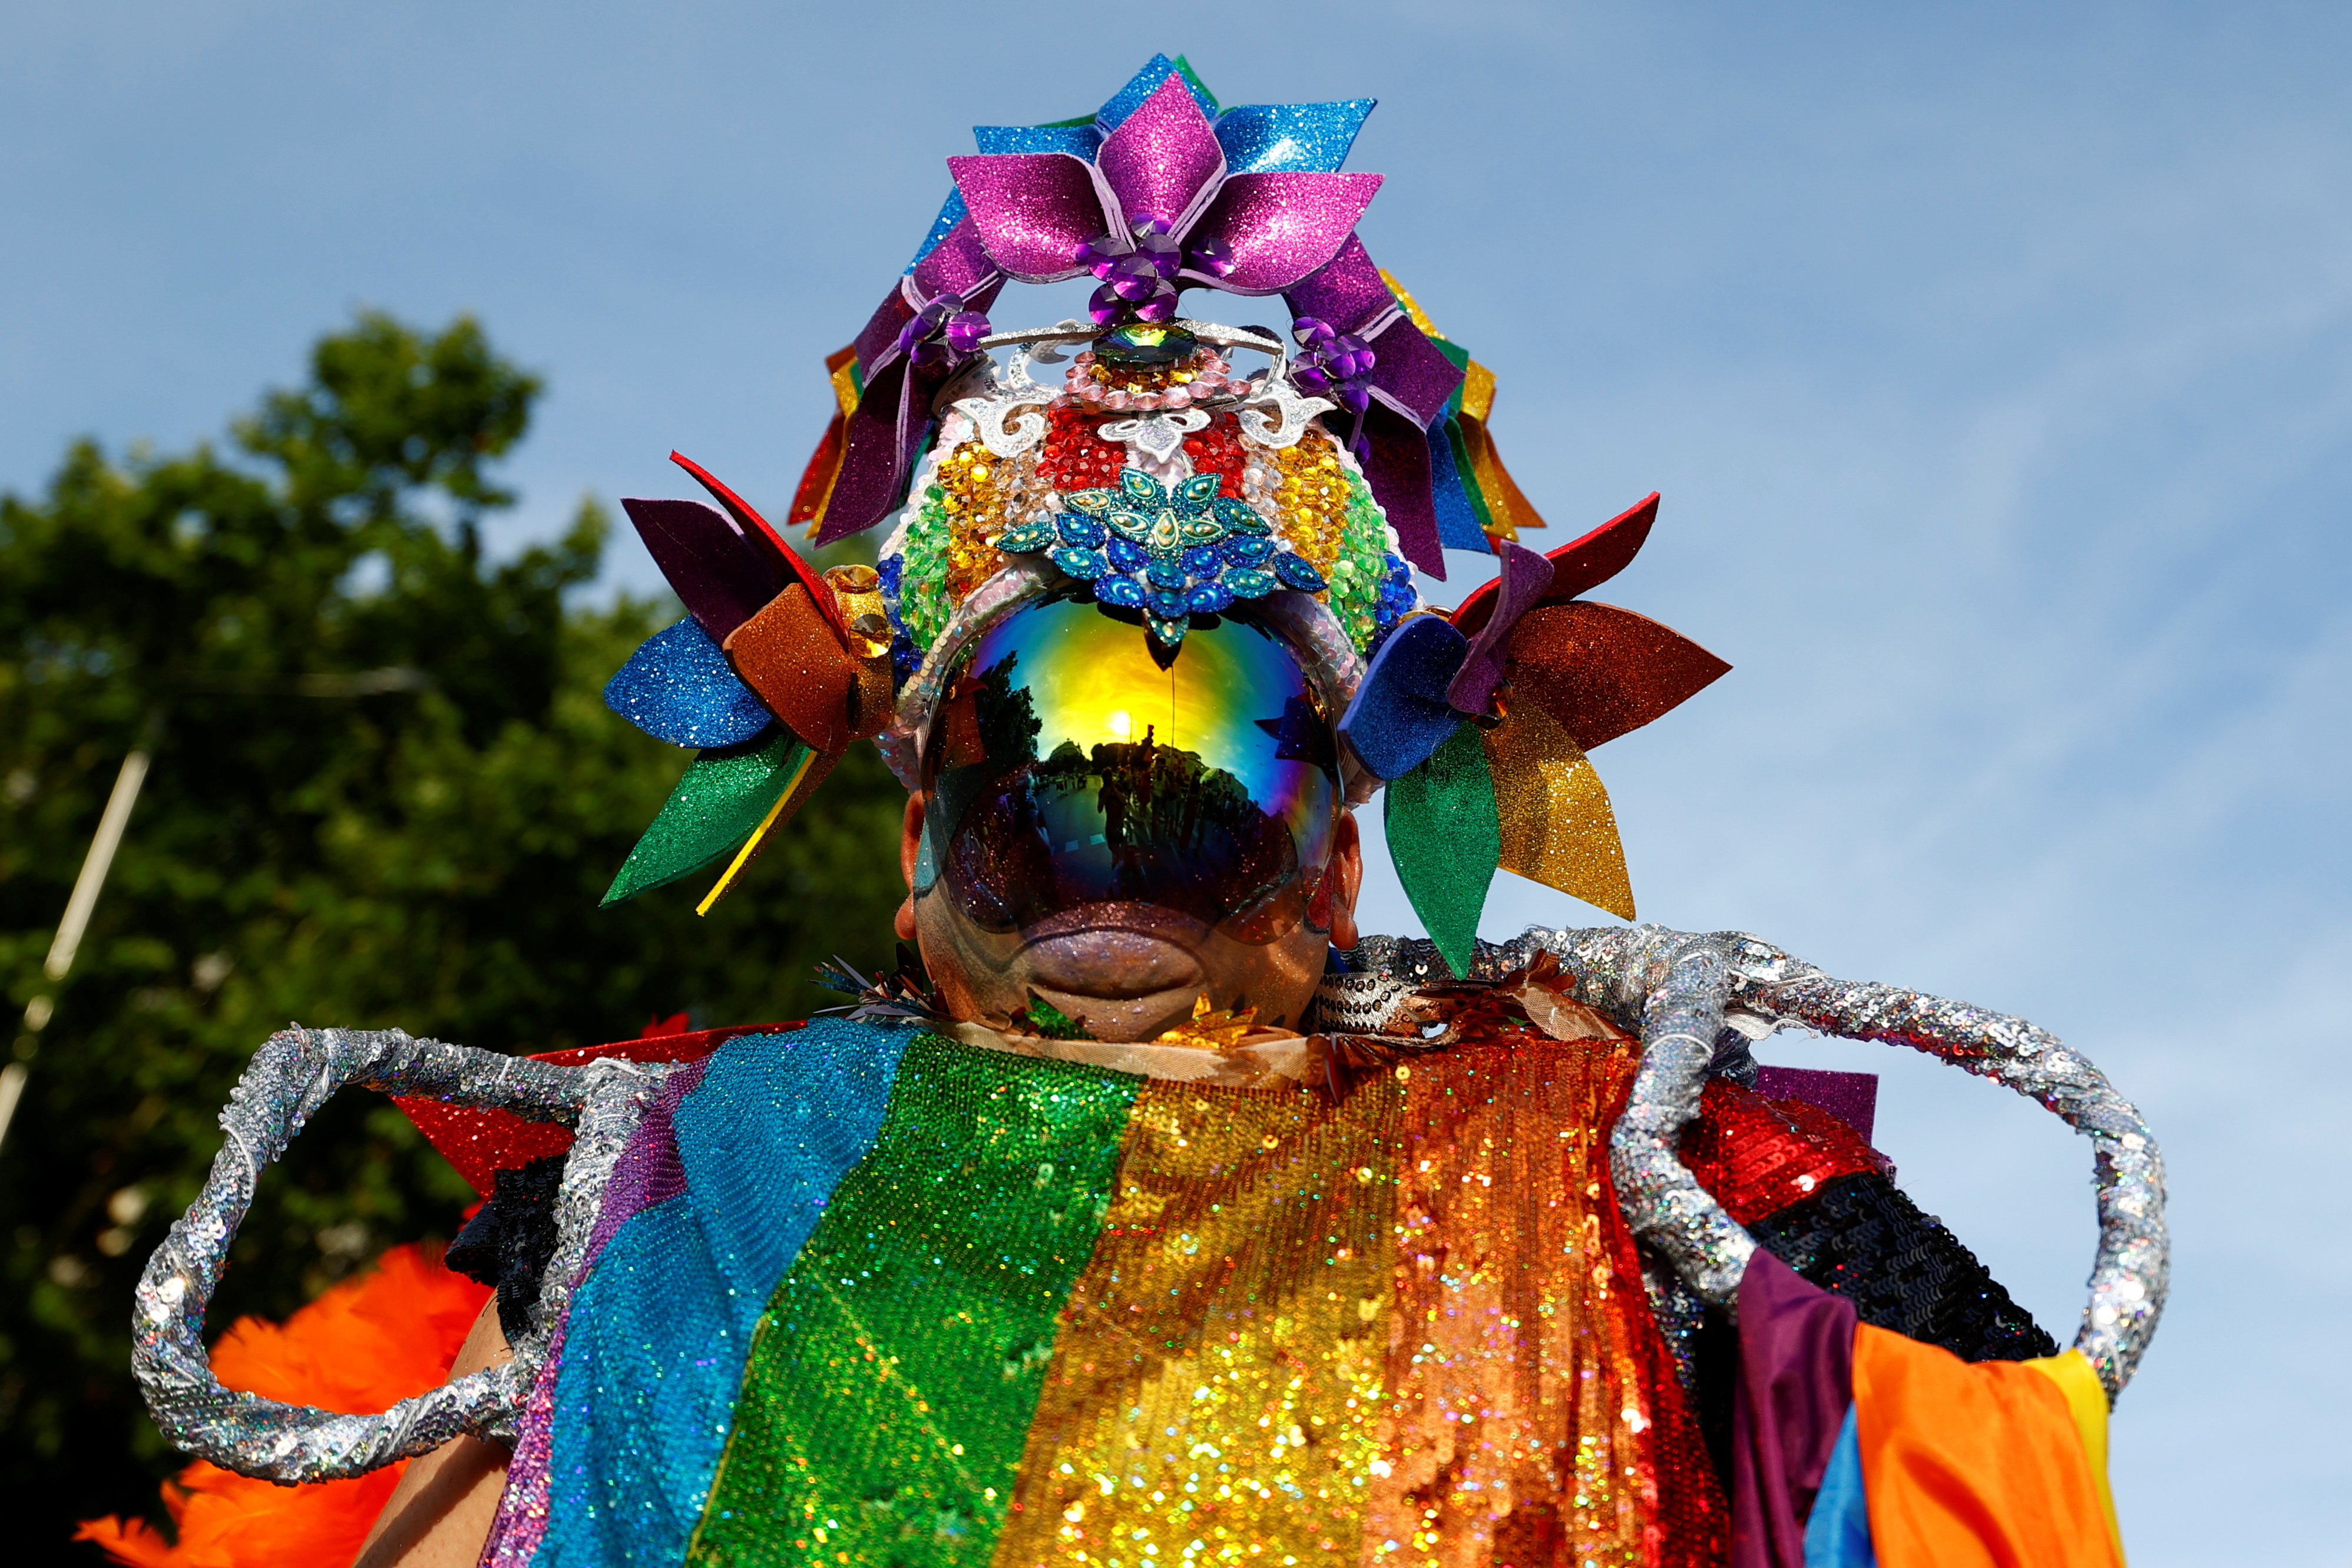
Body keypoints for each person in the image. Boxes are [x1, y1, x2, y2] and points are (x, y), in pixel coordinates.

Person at [130, 57, 2165, 1568]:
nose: (1116, 838)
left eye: (1209, 771)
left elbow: (1968, 1445)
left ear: (1346, 839)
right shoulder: (673, 1175)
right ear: (913, 816)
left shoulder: (1613, 1143)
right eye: (1045, 755)